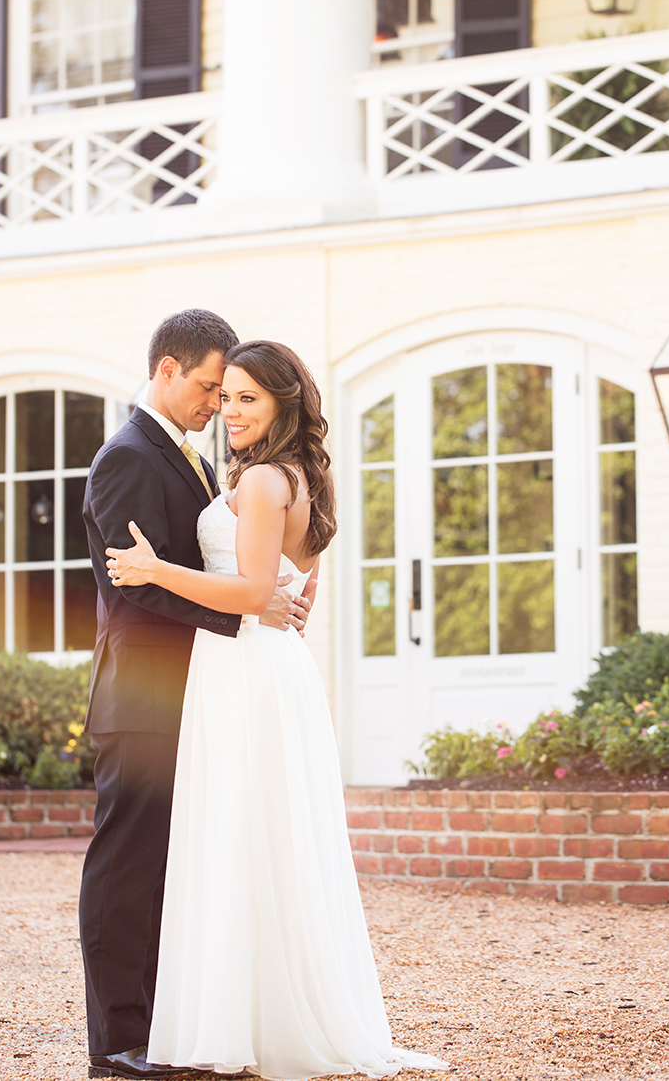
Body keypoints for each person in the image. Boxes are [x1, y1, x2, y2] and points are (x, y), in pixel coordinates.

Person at [106, 340, 448, 1080]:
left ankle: (238, 1022)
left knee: (239, 833)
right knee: (260, 836)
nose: (227, 410)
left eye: (245, 398)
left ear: (282, 404)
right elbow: (295, 582)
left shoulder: (262, 480)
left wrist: (152, 566)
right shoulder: (298, 475)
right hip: (260, 664)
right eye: (222, 395)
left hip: (245, 666)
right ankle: (254, 1012)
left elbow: (256, 591)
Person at [80, 311, 312, 1081]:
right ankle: (117, 1041)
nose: (219, 404)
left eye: (231, 392)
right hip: (144, 699)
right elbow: (131, 582)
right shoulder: (127, 457)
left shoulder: (194, 459)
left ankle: (168, 1028)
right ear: (168, 370)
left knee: (175, 870)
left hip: (202, 692)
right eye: (212, 387)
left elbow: (220, 561)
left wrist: (266, 595)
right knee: (127, 866)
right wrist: (245, 605)